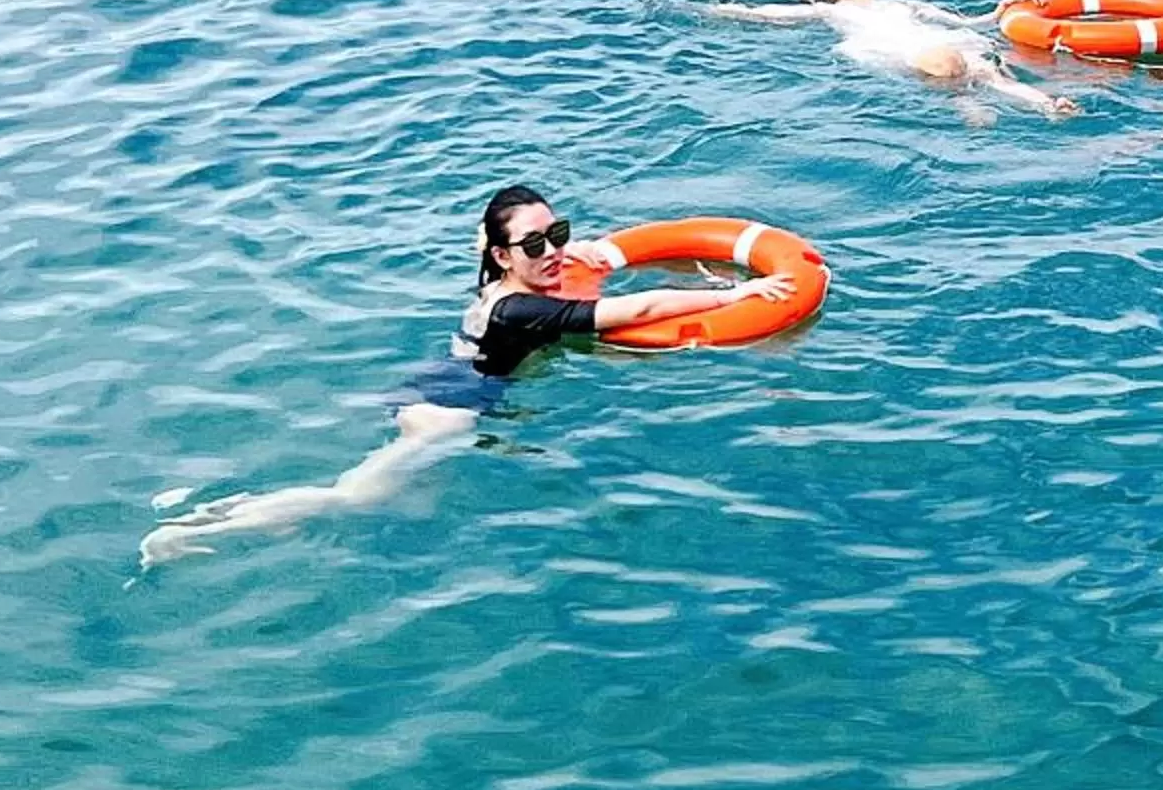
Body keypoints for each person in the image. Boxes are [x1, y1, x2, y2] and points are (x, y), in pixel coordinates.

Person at [139, 185, 785, 566]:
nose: (553, 250)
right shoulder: (522, 306)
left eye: (557, 233)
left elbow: (576, 280)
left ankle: (239, 512)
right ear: (503, 254)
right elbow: (638, 307)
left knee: (407, 499)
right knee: (353, 497)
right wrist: (739, 298)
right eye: (535, 244)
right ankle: (197, 533)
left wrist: (571, 254)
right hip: (449, 410)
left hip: (439, 383)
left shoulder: (503, 286)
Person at [712, 0, 1077, 119]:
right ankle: (964, 102)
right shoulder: (831, 9)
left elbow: (969, 24)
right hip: (893, 50)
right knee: (950, 64)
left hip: (941, 43)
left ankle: (1046, 105)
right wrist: (724, 10)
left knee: (987, 70)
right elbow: (774, 14)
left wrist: (1003, 8)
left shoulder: (911, 6)